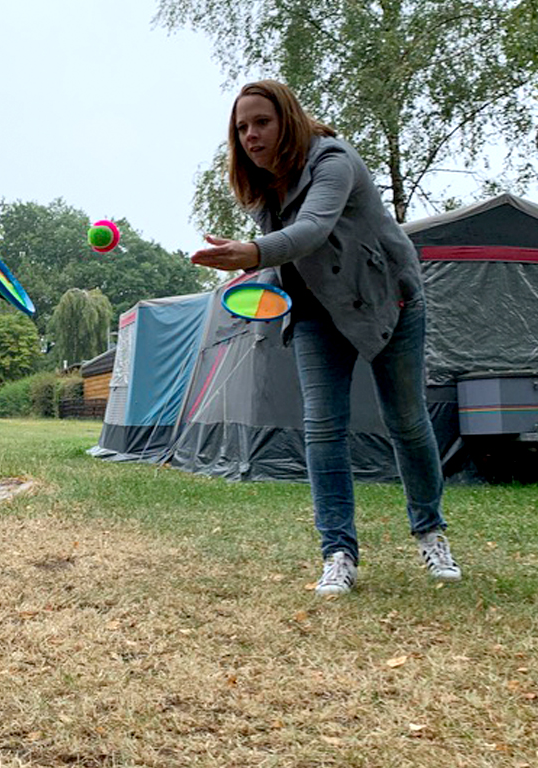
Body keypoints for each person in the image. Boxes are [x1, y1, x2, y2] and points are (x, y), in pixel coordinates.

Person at [190, 80, 461, 596]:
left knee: (406, 422)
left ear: (287, 119)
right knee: (322, 428)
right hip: (318, 312)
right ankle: (338, 552)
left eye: (261, 122)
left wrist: (251, 253)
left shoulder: (333, 160)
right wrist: (260, 281)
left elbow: (314, 229)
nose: (251, 135)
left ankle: (430, 533)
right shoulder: (261, 187)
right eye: (241, 127)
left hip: (390, 300)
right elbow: (298, 257)